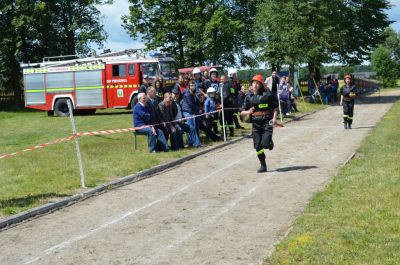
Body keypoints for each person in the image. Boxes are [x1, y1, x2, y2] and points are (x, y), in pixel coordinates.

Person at [240, 74, 279, 173]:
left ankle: (269, 142)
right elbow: (241, 112)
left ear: (261, 85)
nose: (255, 85)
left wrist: (274, 118)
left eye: (257, 83)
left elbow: (275, 107)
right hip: (256, 124)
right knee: (258, 147)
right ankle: (263, 165)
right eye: (254, 83)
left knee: (265, 144)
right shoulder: (248, 97)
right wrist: (248, 112)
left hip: (267, 122)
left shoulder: (268, 95)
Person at [181, 80, 202, 147]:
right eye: (191, 85)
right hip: (187, 112)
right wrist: (198, 109)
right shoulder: (187, 93)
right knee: (191, 127)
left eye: (194, 85)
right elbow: (190, 104)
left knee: (191, 128)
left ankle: (191, 142)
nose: (193, 87)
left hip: (191, 112)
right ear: (189, 86)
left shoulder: (193, 93)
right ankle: (196, 143)